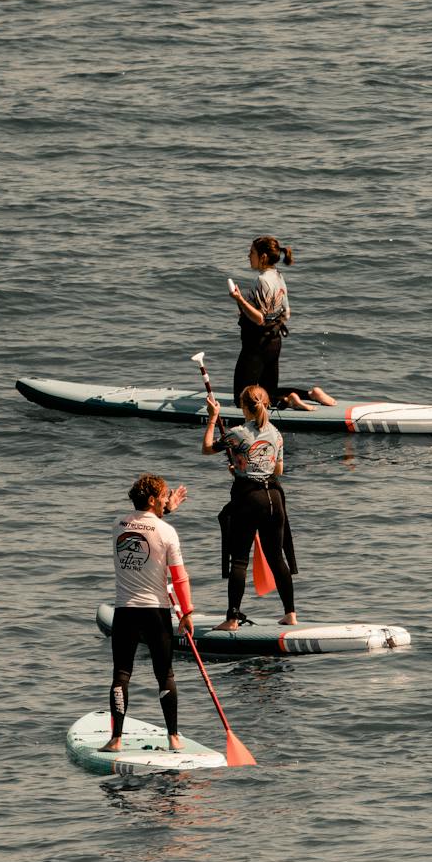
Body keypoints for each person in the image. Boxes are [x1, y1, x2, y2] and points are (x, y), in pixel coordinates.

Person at [106, 472, 196, 752]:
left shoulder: (118, 525)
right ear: (153, 499)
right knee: (164, 674)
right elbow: (179, 578)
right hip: (156, 612)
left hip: (125, 610)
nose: (168, 499)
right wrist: (187, 613)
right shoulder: (167, 532)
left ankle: (116, 739)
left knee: (121, 674)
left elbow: (145, 526)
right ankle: (173, 737)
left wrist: (165, 509)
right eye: (164, 495)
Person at [205, 383, 298, 630]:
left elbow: (206, 448)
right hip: (274, 500)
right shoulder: (276, 434)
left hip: (249, 500)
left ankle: (232, 619)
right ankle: (290, 614)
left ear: (245, 408)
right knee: (276, 558)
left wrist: (213, 418)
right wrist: (243, 465)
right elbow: (277, 470)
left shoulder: (237, 433)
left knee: (239, 561)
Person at [227, 234, 338, 412]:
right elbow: (286, 314)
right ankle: (310, 394)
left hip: (256, 345)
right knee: (267, 392)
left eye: (252, 252)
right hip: (274, 342)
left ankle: (291, 400)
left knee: (241, 399)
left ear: (262, 257)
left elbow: (259, 318)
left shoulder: (261, 280)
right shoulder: (278, 276)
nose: (248, 256)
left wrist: (239, 298)